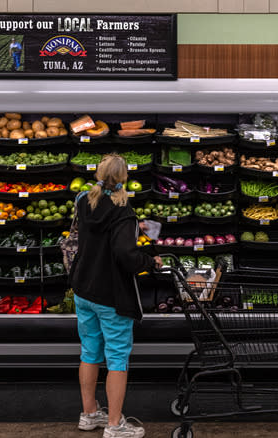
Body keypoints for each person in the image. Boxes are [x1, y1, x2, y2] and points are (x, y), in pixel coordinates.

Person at [69, 154, 162, 438]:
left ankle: (88, 415)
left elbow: (97, 231)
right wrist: (149, 261)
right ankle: (114, 425)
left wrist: (135, 226)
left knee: (89, 353)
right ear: (123, 179)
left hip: (83, 289)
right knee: (117, 358)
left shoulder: (84, 200)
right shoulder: (123, 210)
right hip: (110, 295)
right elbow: (125, 254)